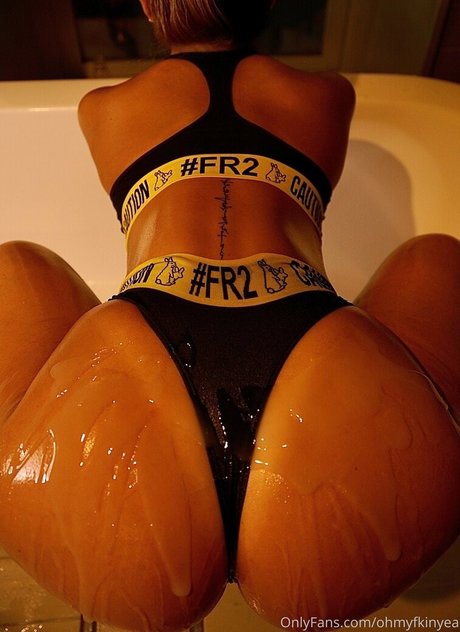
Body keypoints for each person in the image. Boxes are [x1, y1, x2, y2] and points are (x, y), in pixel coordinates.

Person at [0, 1, 459, 630]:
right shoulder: (328, 95)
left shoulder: (103, 106)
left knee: (15, 266)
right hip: (345, 447)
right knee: (438, 260)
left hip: (117, 459)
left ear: (149, 4)